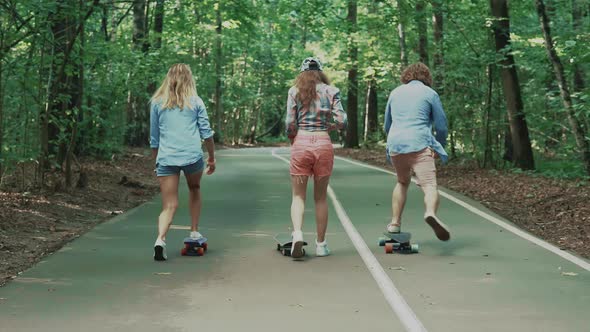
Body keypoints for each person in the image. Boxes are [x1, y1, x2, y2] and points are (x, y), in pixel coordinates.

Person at [149, 63, 216, 261]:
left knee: (169, 205)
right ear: (189, 79)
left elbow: (154, 138)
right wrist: (211, 157)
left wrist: (156, 162)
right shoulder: (195, 101)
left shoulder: (156, 102)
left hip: (167, 157)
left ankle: (160, 240)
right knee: (194, 188)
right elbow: (207, 133)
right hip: (192, 157)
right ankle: (194, 231)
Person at [285, 57, 347, 258]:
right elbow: (342, 120)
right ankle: (321, 245)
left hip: (301, 141)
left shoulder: (294, 91)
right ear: (321, 72)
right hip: (323, 143)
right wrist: (331, 127)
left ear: (302, 73)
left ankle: (297, 234)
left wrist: (293, 137)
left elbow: (289, 123)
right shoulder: (332, 91)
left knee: (298, 196)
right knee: (320, 198)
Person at [384, 62, 450, 241]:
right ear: (427, 78)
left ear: (406, 76)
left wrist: (391, 144)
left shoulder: (395, 92)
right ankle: (430, 213)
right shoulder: (430, 93)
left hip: (396, 144)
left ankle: (395, 223)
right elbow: (442, 126)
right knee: (429, 185)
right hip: (420, 142)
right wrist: (439, 146)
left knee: (402, 182)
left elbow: (387, 125)